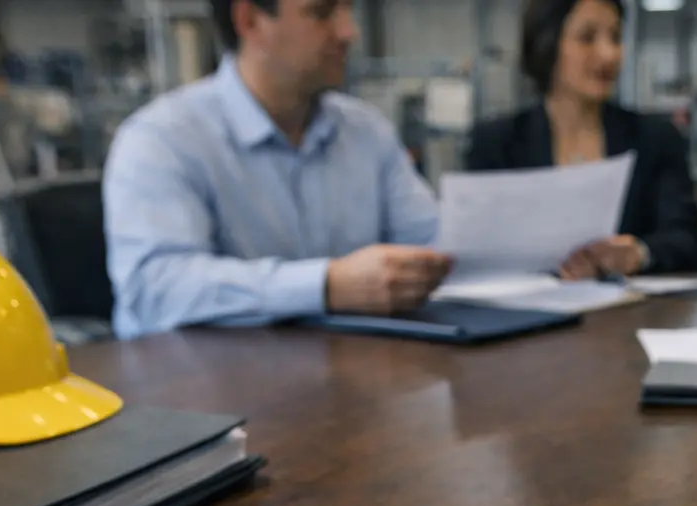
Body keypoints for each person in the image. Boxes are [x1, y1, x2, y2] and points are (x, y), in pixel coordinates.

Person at [104, 0, 452, 340]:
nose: (349, 32)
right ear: (250, 21)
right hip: (197, 386)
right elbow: (156, 291)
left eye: (349, 11)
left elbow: (434, 244)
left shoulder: (366, 133)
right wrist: (326, 286)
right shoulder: (162, 139)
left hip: (344, 375)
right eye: (322, 12)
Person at [466, 0, 697, 279]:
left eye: (615, 38)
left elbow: (689, 241)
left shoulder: (656, 139)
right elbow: (477, 248)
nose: (608, 54)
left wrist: (638, 253)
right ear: (547, 44)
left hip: (631, 315)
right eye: (587, 38)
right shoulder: (497, 142)